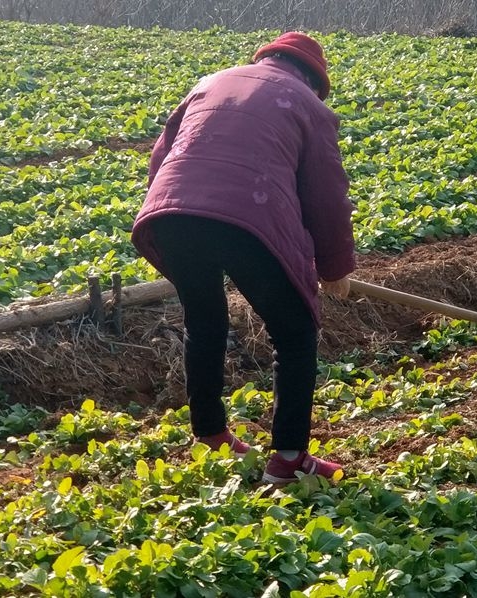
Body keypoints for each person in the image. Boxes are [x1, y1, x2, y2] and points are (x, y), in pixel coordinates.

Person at [131, 31, 356, 483]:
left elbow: (162, 158)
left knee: (205, 321)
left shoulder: (211, 82)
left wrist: (173, 210)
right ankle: (289, 460)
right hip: (246, 216)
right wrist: (335, 269)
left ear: (267, 59)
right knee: (294, 334)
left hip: (172, 213)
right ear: (314, 79)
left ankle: (211, 435)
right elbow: (327, 197)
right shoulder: (309, 106)